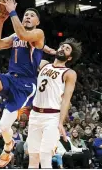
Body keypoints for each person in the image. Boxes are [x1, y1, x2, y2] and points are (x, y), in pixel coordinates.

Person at [0, 0, 56, 168]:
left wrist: (13, 11)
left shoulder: (38, 34)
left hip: (26, 85)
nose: (27, 16)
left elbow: (23, 34)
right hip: (10, 77)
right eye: (25, 15)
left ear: (38, 21)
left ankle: (8, 147)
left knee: (5, 125)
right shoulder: (15, 36)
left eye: (31, 15)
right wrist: (0, 20)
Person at [27, 38, 82, 168]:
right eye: (62, 46)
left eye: (67, 49)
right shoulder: (44, 64)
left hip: (52, 116)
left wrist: (60, 123)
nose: (63, 49)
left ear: (69, 58)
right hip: (35, 114)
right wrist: (46, 48)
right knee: (33, 157)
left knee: (46, 155)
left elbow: (66, 99)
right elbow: (30, 49)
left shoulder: (69, 73)